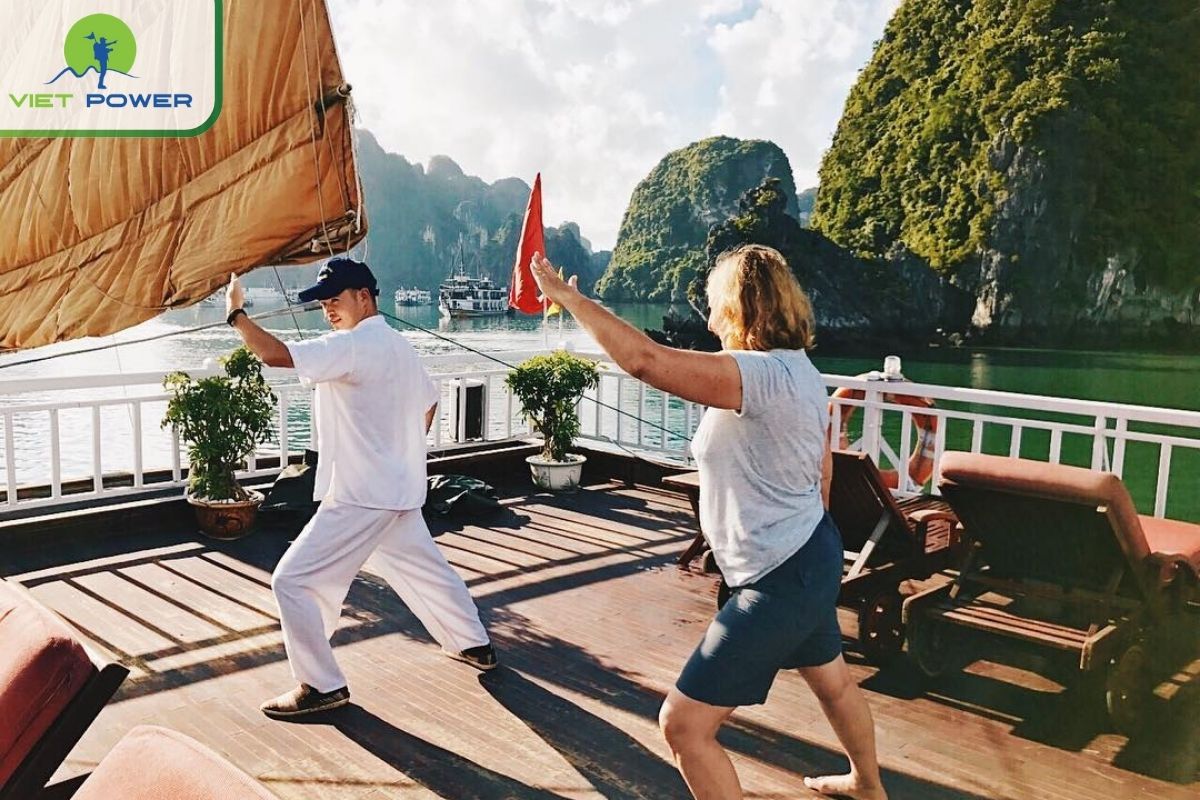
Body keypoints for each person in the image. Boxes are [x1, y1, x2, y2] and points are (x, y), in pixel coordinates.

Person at [530, 245, 887, 800]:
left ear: (743, 309)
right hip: (809, 554)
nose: (710, 317)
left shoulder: (759, 375)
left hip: (778, 577)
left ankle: (866, 783)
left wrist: (571, 300)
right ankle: (867, 784)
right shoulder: (802, 374)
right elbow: (821, 474)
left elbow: (645, 361)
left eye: (717, 306)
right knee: (834, 684)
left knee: (683, 725)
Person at [225, 258, 495, 720]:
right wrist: (399, 447)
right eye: (323, 303)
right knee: (426, 571)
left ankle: (321, 684)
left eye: (336, 299)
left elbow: (274, 354)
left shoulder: (352, 346)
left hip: (361, 495)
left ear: (363, 297)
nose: (328, 309)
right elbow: (429, 406)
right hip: (400, 490)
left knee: (291, 581)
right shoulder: (399, 346)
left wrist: (237, 315)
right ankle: (474, 644)